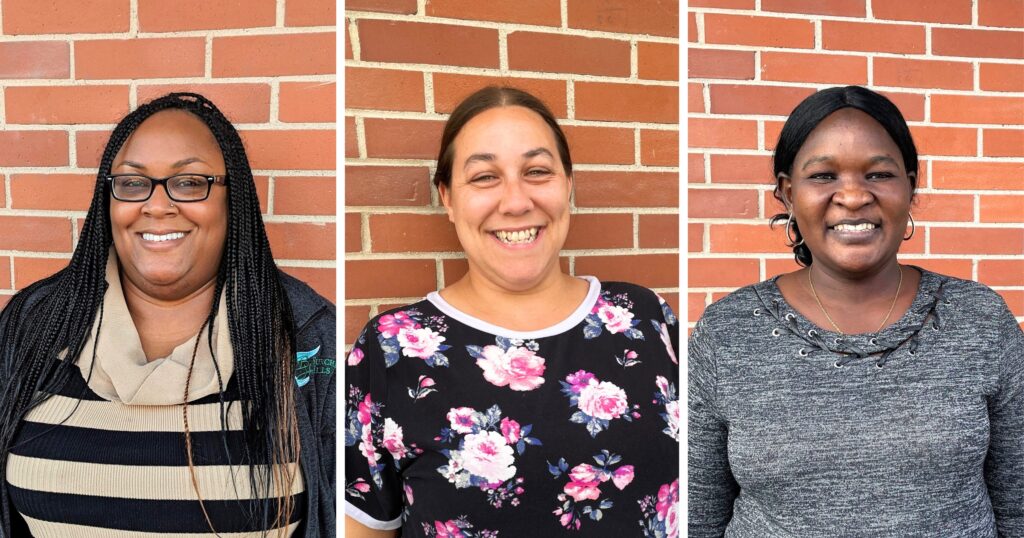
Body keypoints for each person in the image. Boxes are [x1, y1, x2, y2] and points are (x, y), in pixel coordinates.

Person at [344, 86, 680, 537]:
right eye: (484, 177)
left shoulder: (645, 316)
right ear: (447, 197)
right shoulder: (391, 348)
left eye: (537, 171)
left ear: (568, 185)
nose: (517, 201)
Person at [688, 86, 1023, 537]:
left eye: (879, 174)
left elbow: (1017, 504)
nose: (852, 195)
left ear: (909, 186)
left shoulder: (980, 319)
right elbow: (697, 517)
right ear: (788, 194)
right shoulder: (726, 333)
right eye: (823, 176)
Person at [0, 93, 336, 537]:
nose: (157, 206)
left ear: (232, 200)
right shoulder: (34, 326)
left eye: (191, 182)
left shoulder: (303, 336)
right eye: (134, 183)